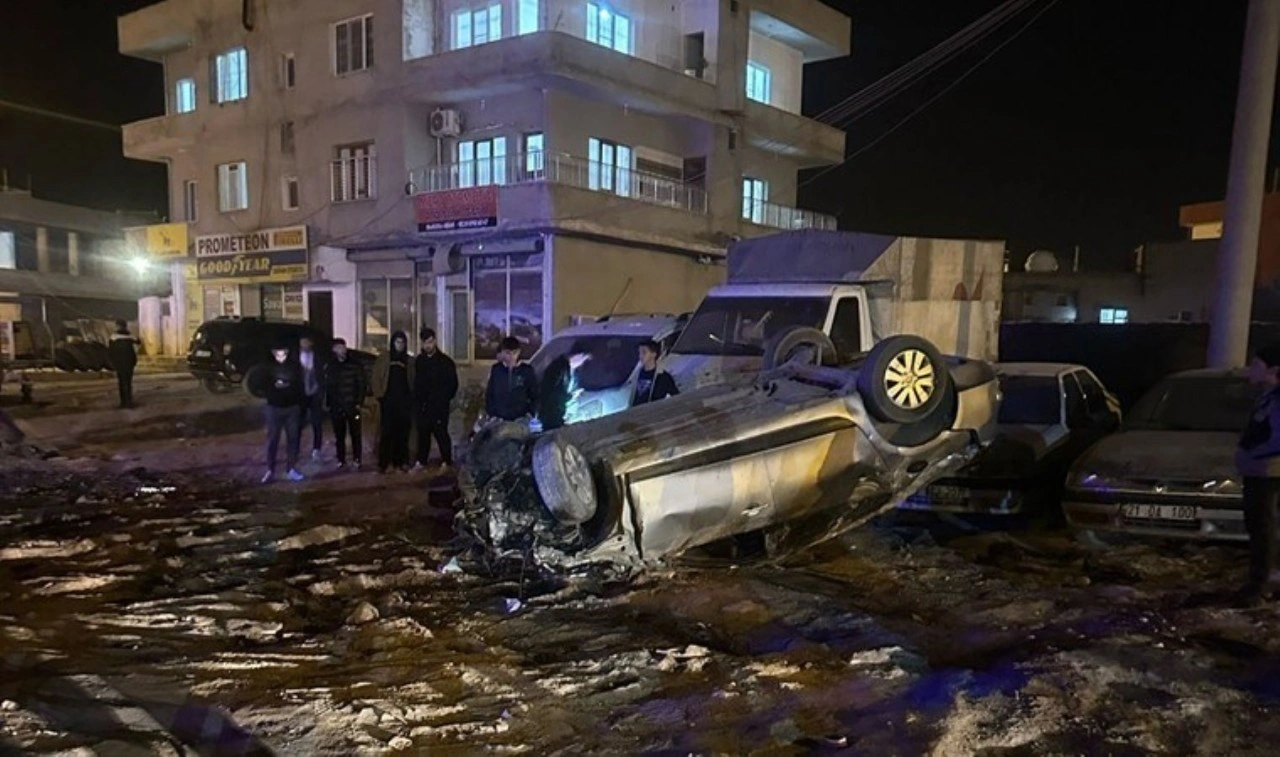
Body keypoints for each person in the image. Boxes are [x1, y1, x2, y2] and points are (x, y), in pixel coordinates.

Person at [1237, 342, 1280, 606]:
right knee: (1260, 528)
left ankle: (1260, 585)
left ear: (1273, 370)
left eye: (1256, 364)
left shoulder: (1277, 400)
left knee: (1263, 528)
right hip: (1260, 472)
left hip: (1269, 474)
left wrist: (1253, 454)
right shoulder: (1267, 396)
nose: (1250, 369)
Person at [413, 328, 459, 470]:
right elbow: (416, 383)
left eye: (430, 342)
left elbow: (452, 384)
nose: (428, 345)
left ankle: (446, 460)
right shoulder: (419, 361)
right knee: (423, 434)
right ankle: (421, 460)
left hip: (439, 406)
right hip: (423, 405)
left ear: (435, 341)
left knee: (441, 433)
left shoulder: (445, 362)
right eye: (425, 342)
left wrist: (443, 399)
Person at [261, 343, 305, 484]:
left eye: (283, 354)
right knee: (273, 439)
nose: (280, 357)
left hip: (292, 408)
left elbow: (300, 386)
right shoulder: (267, 368)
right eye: (278, 354)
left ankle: (291, 468)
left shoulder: (295, 367)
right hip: (274, 408)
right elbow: (262, 386)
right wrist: (273, 391)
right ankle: (270, 469)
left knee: (293, 439)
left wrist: (297, 400)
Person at [372, 330, 415, 473]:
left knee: (402, 433)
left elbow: (413, 379)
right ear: (392, 343)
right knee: (386, 433)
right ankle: (383, 462)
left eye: (402, 342)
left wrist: (412, 397)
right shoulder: (384, 358)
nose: (400, 345)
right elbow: (376, 377)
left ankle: (400, 461)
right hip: (388, 401)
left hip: (404, 402)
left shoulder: (409, 361)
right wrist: (380, 395)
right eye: (397, 342)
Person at [324, 338, 367, 470]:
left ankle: (357, 458)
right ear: (334, 350)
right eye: (338, 348)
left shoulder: (355, 364)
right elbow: (327, 387)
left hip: (352, 405)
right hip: (336, 407)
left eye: (343, 347)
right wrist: (328, 403)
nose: (341, 350)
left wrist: (359, 402)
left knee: (355, 434)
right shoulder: (330, 366)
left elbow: (362, 384)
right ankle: (341, 459)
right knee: (339, 435)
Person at [538, 341, 591, 431]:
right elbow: (552, 392)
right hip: (551, 415)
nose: (581, 363)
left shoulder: (568, 369)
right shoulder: (559, 368)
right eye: (583, 359)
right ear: (579, 355)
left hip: (555, 413)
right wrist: (571, 396)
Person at [485, 336, 538, 422]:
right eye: (508, 353)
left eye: (514, 353)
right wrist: (492, 413)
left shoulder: (526, 370)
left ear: (519, 352)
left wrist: (530, 413)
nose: (511, 357)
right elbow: (490, 394)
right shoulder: (496, 370)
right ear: (502, 352)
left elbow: (535, 394)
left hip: (521, 417)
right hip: (499, 418)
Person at [298, 336, 325, 460]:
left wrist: (321, 391)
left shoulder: (318, 357)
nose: (305, 344)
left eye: (307, 342)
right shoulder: (295, 358)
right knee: (298, 423)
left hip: (315, 393)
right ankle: (295, 447)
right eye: (303, 342)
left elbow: (321, 376)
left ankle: (316, 448)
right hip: (301, 394)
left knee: (317, 423)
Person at [630, 339, 679, 407]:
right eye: (639, 353)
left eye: (644, 352)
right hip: (636, 412)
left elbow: (676, 398)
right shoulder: (636, 374)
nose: (640, 356)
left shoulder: (663, 377)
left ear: (654, 354)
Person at [107, 320, 140, 408]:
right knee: (128, 383)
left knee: (121, 382)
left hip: (119, 363)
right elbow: (138, 344)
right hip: (129, 362)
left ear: (117, 326)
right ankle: (129, 401)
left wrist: (112, 362)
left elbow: (110, 351)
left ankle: (123, 402)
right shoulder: (131, 337)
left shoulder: (113, 337)